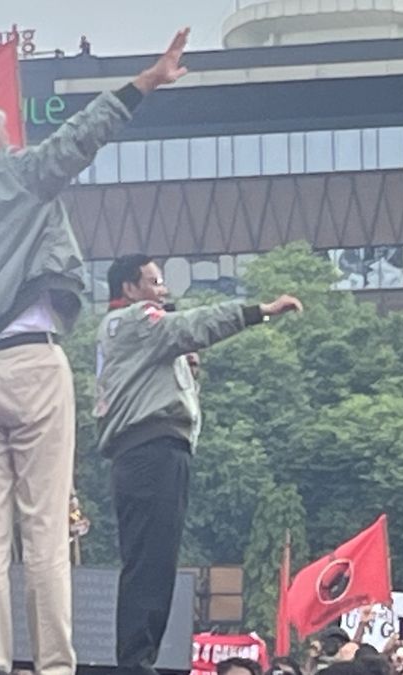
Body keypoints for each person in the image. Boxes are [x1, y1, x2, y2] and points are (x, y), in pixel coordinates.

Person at [0, 25, 193, 675]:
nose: (10, 142)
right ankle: (54, 665)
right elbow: (80, 139)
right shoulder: (16, 177)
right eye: (0, 136)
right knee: (45, 527)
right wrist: (146, 81)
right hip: (32, 358)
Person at [94, 254, 302, 675]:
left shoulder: (132, 333)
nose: (163, 289)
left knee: (154, 558)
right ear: (130, 289)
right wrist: (258, 312)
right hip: (151, 449)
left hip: (150, 450)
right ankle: (135, 660)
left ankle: (138, 657)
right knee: (151, 559)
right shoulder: (138, 319)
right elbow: (194, 325)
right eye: (154, 281)